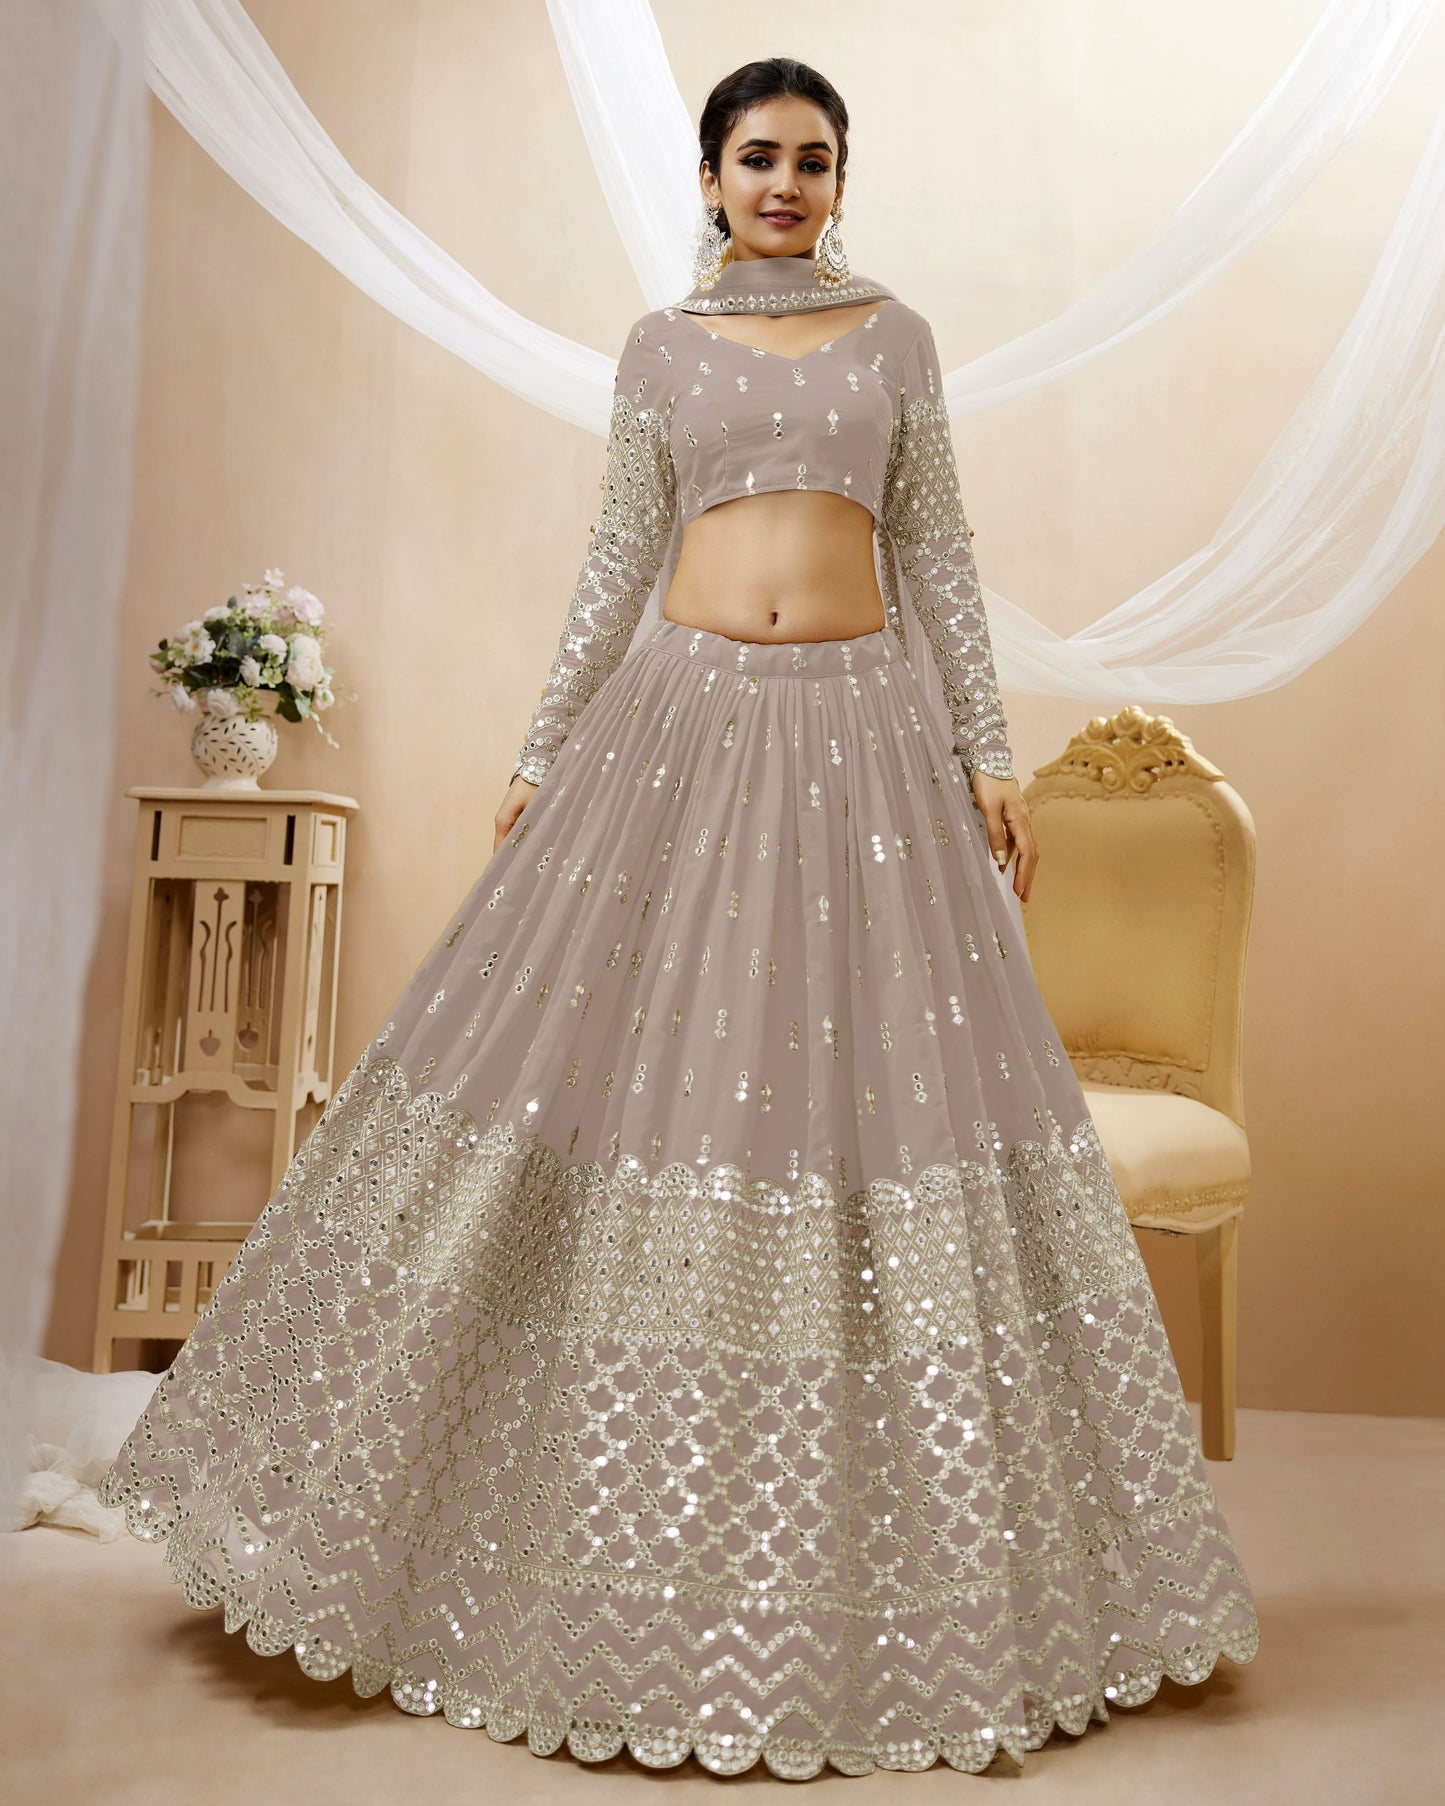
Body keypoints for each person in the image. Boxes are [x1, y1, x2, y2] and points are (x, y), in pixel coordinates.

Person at [100, 56, 1258, 1781]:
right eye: (755, 157)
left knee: (859, 1114)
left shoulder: (894, 338)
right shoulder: (659, 347)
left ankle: (907, 1571)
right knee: (615, 1088)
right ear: (709, 177)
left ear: (837, 178)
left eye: (810, 159)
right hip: (678, 725)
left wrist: (990, 753)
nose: (782, 183)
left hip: (866, 737)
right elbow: (614, 557)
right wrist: (540, 750)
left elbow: (938, 545)